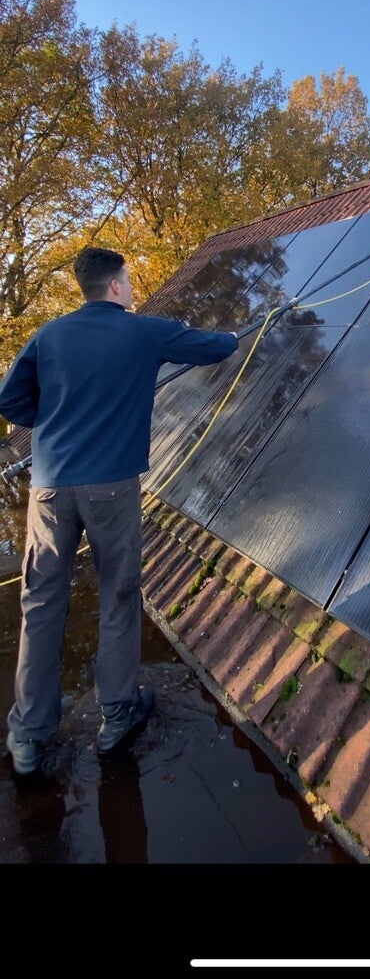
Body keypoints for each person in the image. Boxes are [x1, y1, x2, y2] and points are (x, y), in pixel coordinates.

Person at [0, 246, 239, 776]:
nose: (130, 288)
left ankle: (28, 738)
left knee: (39, 606)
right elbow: (213, 348)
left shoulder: (50, 335)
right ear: (114, 286)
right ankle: (116, 715)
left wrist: (57, 416)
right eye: (127, 280)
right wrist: (237, 335)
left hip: (48, 491)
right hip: (111, 489)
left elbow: (9, 401)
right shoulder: (143, 332)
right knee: (117, 595)